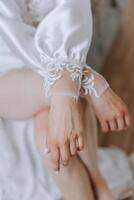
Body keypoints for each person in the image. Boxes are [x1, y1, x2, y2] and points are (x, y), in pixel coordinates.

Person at [0, 0, 130, 199]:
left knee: (48, 138)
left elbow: (71, 14)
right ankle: (101, 188)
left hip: (50, 62)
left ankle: (97, 186)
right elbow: (12, 34)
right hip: (6, 77)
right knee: (71, 84)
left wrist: (71, 80)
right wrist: (86, 79)